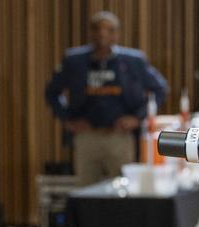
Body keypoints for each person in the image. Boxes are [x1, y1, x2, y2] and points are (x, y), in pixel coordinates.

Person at [44, 11, 168, 186]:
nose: (102, 34)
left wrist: (138, 117)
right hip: (86, 136)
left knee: (123, 189)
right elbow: (51, 92)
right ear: (90, 32)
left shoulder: (133, 61)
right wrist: (67, 119)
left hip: (119, 137)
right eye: (97, 29)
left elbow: (160, 89)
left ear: (117, 34)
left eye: (109, 30)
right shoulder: (74, 61)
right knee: (86, 191)